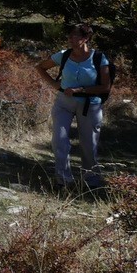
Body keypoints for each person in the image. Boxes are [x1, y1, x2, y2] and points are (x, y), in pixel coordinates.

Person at [34, 23, 112, 189]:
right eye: (70, 35)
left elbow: (105, 86)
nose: (70, 38)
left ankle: (91, 182)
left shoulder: (98, 58)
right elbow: (40, 67)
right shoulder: (63, 55)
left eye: (75, 35)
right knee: (59, 140)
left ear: (85, 38)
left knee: (88, 144)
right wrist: (55, 85)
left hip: (90, 105)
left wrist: (82, 89)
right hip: (64, 102)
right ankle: (63, 181)